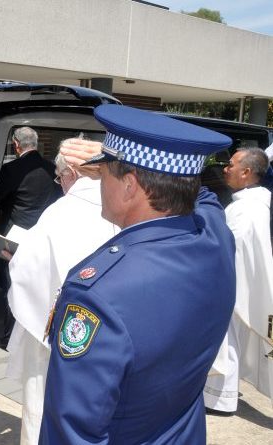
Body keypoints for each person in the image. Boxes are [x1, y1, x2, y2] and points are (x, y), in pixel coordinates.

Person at [39, 104, 236, 444]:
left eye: (104, 174)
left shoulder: (97, 296)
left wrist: (120, 158)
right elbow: (202, 196)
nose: (99, 180)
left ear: (130, 185)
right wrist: (120, 161)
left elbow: (73, 431)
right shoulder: (216, 238)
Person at [5, 138, 118, 444]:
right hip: (101, 335)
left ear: (72, 173)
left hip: (51, 329)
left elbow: (26, 272)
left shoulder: (60, 212)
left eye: (60, 178)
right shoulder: (118, 209)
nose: (60, 185)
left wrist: (15, 257)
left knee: (41, 403)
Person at [204, 147, 273, 414]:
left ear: (246, 172)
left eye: (230, 164)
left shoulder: (247, 208)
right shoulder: (252, 202)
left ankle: (221, 398)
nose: (225, 168)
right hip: (239, 280)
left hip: (232, 282)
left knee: (226, 337)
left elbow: (232, 247)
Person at [0, 126, 62, 350]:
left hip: (15, 236)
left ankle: (8, 337)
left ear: (16, 144)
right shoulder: (51, 168)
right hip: (43, 233)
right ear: (36, 143)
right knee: (37, 286)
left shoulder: (11, 169)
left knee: (12, 284)